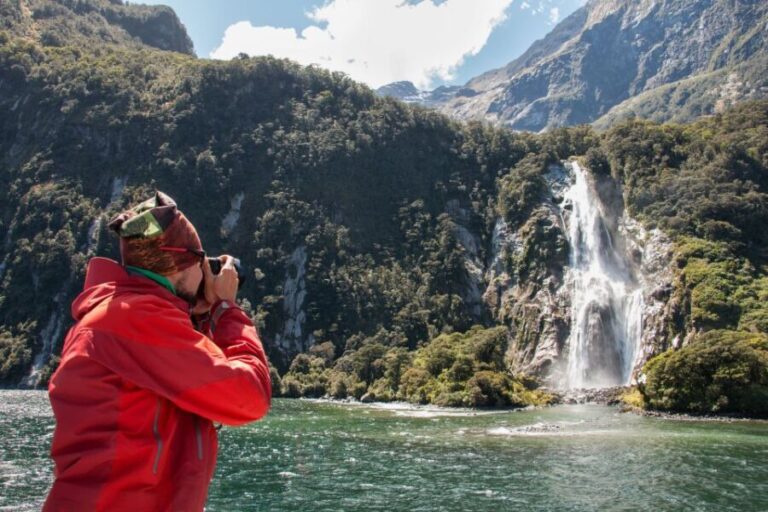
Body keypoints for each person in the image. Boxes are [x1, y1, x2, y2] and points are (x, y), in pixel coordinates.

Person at [43, 191, 272, 511]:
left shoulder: (123, 315)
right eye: (199, 259)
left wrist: (199, 317)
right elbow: (249, 396)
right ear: (182, 262)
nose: (204, 270)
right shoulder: (135, 320)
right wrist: (226, 310)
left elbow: (183, 388)